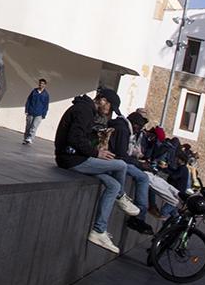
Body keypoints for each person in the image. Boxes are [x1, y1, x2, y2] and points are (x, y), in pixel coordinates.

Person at [54, 88, 143, 254]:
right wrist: (97, 153)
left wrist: (97, 142)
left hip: (76, 157)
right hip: (71, 159)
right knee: (121, 165)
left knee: (113, 185)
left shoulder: (87, 111)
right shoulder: (84, 110)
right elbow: (74, 138)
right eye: (109, 108)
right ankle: (121, 198)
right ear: (103, 101)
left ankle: (99, 231)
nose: (109, 113)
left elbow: (81, 137)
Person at [102, 90, 154, 235]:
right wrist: (140, 164)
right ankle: (138, 216)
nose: (139, 130)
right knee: (143, 178)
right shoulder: (124, 130)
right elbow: (121, 156)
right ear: (135, 125)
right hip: (113, 161)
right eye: (140, 126)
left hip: (113, 159)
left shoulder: (122, 126)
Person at [22, 78, 50, 144]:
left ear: (45, 85)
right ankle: (25, 138)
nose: (41, 85)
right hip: (31, 111)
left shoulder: (46, 95)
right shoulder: (34, 91)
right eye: (40, 83)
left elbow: (46, 105)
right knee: (28, 126)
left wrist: (44, 114)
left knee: (34, 126)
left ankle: (30, 138)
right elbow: (28, 100)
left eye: (43, 84)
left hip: (39, 114)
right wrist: (26, 110)